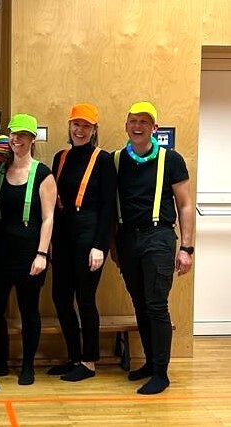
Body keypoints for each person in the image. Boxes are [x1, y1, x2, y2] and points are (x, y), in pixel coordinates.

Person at [113, 101, 193, 394]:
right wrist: (113, 245)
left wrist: (187, 248)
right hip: (127, 239)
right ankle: (149, 362)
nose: (138, 127)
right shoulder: (117, 160)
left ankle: (161, 373)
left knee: (156, 305)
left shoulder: (171, 160)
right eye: (134, 121)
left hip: (158, 237)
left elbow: (185, 205)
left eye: (144, 122)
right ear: (126, 125)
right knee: (140, 303)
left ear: (154, 128)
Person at [0, 114, 57, 385]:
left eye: (23, 135)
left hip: (29, 253)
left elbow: (49, 218)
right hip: (0, 251)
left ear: (32, 139)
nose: (17, 139)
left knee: (28, 310)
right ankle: (0, 362)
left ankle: (28, 366)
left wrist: (42, 254)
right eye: (14, 134)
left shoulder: (43, 174)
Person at [47, 103, 116, 381]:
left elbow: (109, 207)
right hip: (63, 233)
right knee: (60, 297)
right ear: (69, 125)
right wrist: (50, 240)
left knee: (85, 299)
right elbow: (53, 202)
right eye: (76, 124)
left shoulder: (103, 159)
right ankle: (74, 357)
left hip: (89, 234)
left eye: (86, 126)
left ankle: (89, 362)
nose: (80, 130)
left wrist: (100, 245)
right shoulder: (60, 157)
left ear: (94, 130)